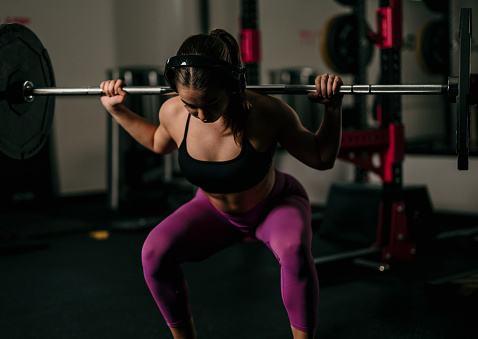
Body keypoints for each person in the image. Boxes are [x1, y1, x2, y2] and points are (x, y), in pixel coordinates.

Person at [100, 28, 343, 339]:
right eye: (191, 105)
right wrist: (118, 109)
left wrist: (332, 109)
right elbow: (156, 141)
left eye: (212, 102)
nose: (201, 114)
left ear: (233, 86)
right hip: (215, 211)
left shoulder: (268, 112)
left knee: (295, 249)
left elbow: (322, 158)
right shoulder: (172, 112)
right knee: (154, 253)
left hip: (274, 204)